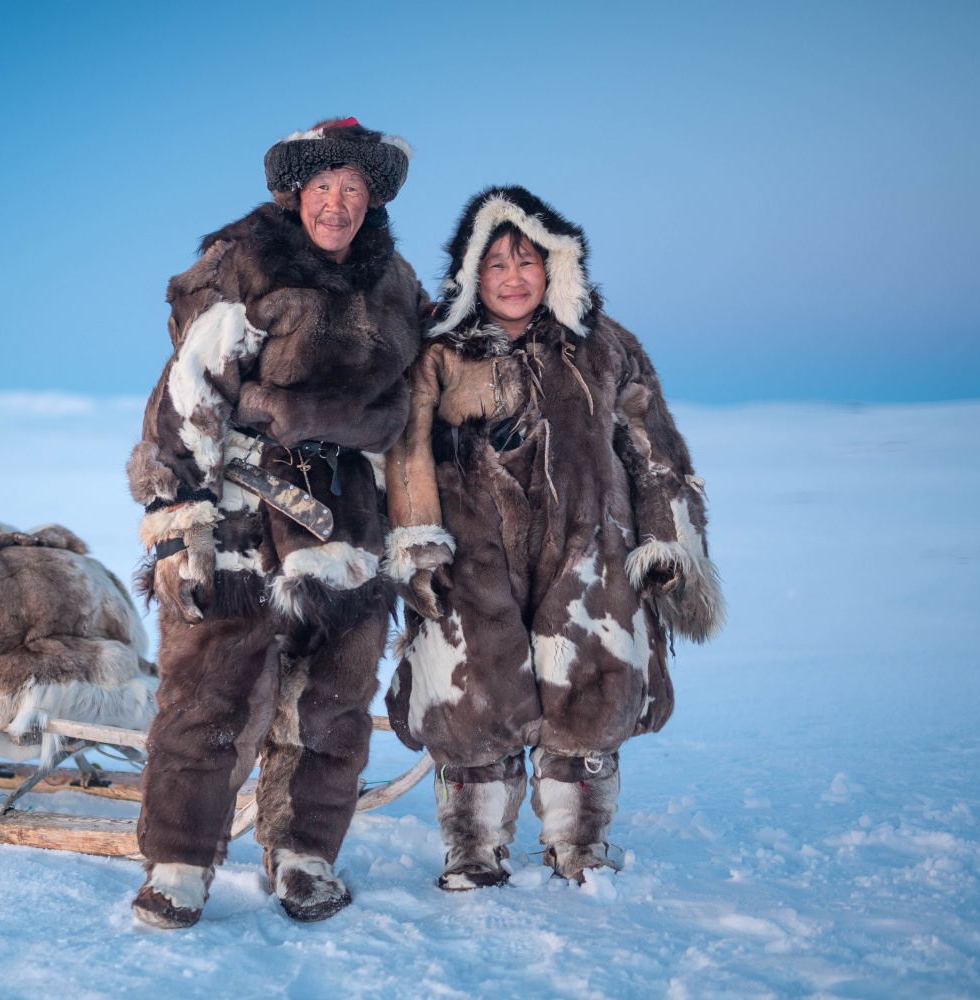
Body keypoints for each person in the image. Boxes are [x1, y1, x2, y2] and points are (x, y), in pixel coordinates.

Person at [125, 119, 429, 928]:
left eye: (354, 190)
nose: (338, 205)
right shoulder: (245, 264)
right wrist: (178, 513)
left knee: (332, 702)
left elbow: (417, 403)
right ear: (297, 193)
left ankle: (303, 857)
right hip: (238, 516)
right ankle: (180, 864)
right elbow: (189, 391)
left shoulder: (396, 286)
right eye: (324, 188)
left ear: (372, 200)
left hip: (346, 521)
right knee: (209, 696)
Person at [382, 186, 725, 889]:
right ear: (473, 274)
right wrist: (417, 539)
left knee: (589, 692)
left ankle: (580, 845)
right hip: (471, 552)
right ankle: (473, 848)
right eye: (497, 265)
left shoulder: (605, 347)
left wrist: (665, 541)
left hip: (589, 546)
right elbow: (407, 449)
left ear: (556, 268)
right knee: (472, 695)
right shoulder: (441, 353)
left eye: (527, 262)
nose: (513, 278)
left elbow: (652, 448)